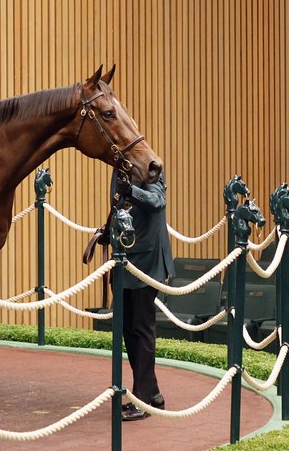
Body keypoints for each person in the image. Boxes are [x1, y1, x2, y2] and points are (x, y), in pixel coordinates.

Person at [116, 170, 174, 421]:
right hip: (126, 260)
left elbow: (157, 202)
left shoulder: (148, 167)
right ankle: (154, 393)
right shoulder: (120, 169)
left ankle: (142, 400)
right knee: (127, 328)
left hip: (147, 262)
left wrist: (131, 190)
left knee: (141, 327)